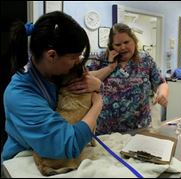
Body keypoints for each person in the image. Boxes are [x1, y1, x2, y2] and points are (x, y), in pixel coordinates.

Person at [1, 11, 103, 163]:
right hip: (24, 160)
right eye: (74, 57)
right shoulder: (19, 95)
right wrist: (98, 103)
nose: (78, 63)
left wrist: (97, 85)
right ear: (51, 55)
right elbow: (68, 145)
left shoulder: (59, 73)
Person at [84, 23, 168, 134]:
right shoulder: (101, 59)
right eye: (118, 44)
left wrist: (162, 94)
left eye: (126, 42)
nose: (123, 47)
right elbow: (86, 80)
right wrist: (109, 68)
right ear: (111, 46)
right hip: (106, 130)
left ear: (134, 41)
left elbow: (161, 83)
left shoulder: (145, 60)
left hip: (139, 127)